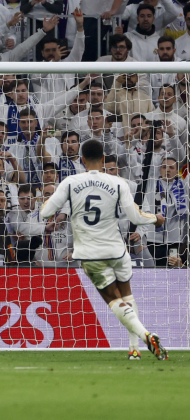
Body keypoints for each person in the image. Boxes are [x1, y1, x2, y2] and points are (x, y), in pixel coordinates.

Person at [39, 139, 168, 361]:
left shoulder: (70, 182)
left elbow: (44, 213)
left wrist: (52, 203)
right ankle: (133, 349)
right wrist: (155, 218)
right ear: (103, 159)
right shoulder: (118, 182)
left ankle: (146, 337)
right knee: (127, 294)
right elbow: (135, 217)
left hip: (90, 254)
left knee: (114, 299)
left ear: (81, 160)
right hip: (118, 250)